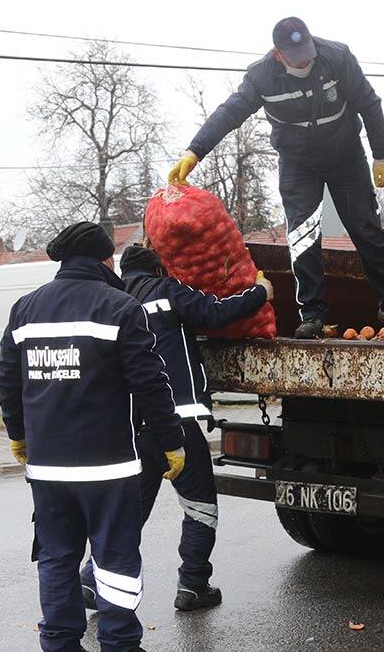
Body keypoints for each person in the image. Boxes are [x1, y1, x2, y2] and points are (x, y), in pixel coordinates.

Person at [0, 222, 186, 652]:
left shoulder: (25, 309)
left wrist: (18, 434)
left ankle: (60, 642)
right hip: (108, 468)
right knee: (115, 559)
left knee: (57, 556)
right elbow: (150, 382)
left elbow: (7, 377)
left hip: (47, 469)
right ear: (105, 260)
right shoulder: (119, 307)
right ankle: (119, 643)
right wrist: (171, 441)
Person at [167, 16, 384, 339]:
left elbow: (369, 104)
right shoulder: (261, 77)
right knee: (303, 236)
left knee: (366, 228)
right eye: (296, 56)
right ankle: (313, 314)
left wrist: (381, 156)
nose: (305, 60)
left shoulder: (337, 58)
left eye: (307, 51)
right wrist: (194, 151)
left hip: (346, 158)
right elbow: (230, 113)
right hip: (298, 165)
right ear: (278, 54)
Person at [78, 245, 273, 612]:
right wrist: (261, 291)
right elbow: (216, 313)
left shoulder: (114, 303)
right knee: (200, 505)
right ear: (158, 270)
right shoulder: (167, 292)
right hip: (177, 421)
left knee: (130, 511)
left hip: (134, 428)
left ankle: (91, 579)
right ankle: (193, 585)